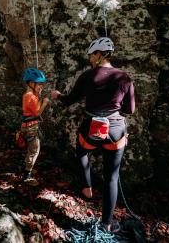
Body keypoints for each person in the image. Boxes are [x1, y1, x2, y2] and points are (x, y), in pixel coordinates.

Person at [51, 37, 135, 232]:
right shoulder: (124, 78)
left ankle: (86, 186)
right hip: (115, 130)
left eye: (91, 55)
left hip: (92, 127)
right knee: (111, 178)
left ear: (98, 54)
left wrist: (57, 96)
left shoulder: (88, 76)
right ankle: (106, 224)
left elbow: (70, 100)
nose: (89, 59)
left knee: (81, 152)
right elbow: (129, 110)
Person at [21, 67, 50, 186]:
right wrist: (45, 102)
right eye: (39, 84)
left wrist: (38, 94)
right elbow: (37, 113)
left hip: (28, 126)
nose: (41, 87)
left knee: (31, 149)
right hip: (31, 127)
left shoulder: (29, 94)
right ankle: (27, 175)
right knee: (34, 150)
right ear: (31, 83)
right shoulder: (31, 96)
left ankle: (28, 166)